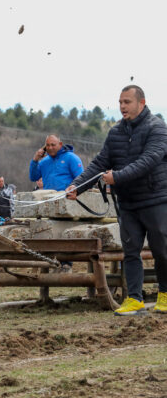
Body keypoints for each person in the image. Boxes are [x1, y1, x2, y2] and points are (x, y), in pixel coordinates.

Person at [66, 85, 167, 315]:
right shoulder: (116, 133)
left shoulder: (158, 128)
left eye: (127, 102)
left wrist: (117, 177)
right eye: (120, 102)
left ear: (141, 103)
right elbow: (100, 163)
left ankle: (165, 293)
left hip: (156, 199)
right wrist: (78, 186)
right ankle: (134, 299)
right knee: (130, 252)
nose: (122, 106)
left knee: (162, 250)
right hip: (128, 203)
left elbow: (148, 160)